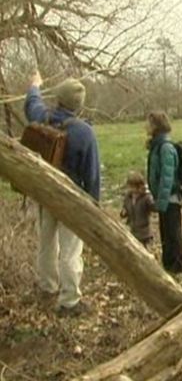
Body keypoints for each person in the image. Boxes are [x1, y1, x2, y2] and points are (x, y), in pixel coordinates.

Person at [25, 71, 100, 316]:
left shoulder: (42, 117)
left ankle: (48, 287)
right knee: (70, 250)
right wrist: (94, 206)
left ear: (58, 99)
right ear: (78, 106)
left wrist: (35, 84)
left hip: (45, 191)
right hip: (72, 198)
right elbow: (91, 175)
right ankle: (69, 301)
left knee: (46, 243)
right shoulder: (85, 132)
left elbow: (32, 103)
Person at [146, 111, 182, 273]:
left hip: (171, 199)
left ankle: (177, 268)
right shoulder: (157, 145)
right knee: (166, 235)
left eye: (149, 123)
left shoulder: (166, 148)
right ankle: (168, 266)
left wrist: (160, 203)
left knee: (173, 236)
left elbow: (167, 178)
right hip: (164, 200)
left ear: (156, 126)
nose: (146, 127)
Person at [120, 171, 154, 248]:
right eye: (130, 187)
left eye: (133, 187)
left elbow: (153, 207)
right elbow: (125, 211)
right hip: (132, 230)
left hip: (144, 232)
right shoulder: (128, 198)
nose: (131, 189)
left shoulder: (146, 198)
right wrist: (123, 213)